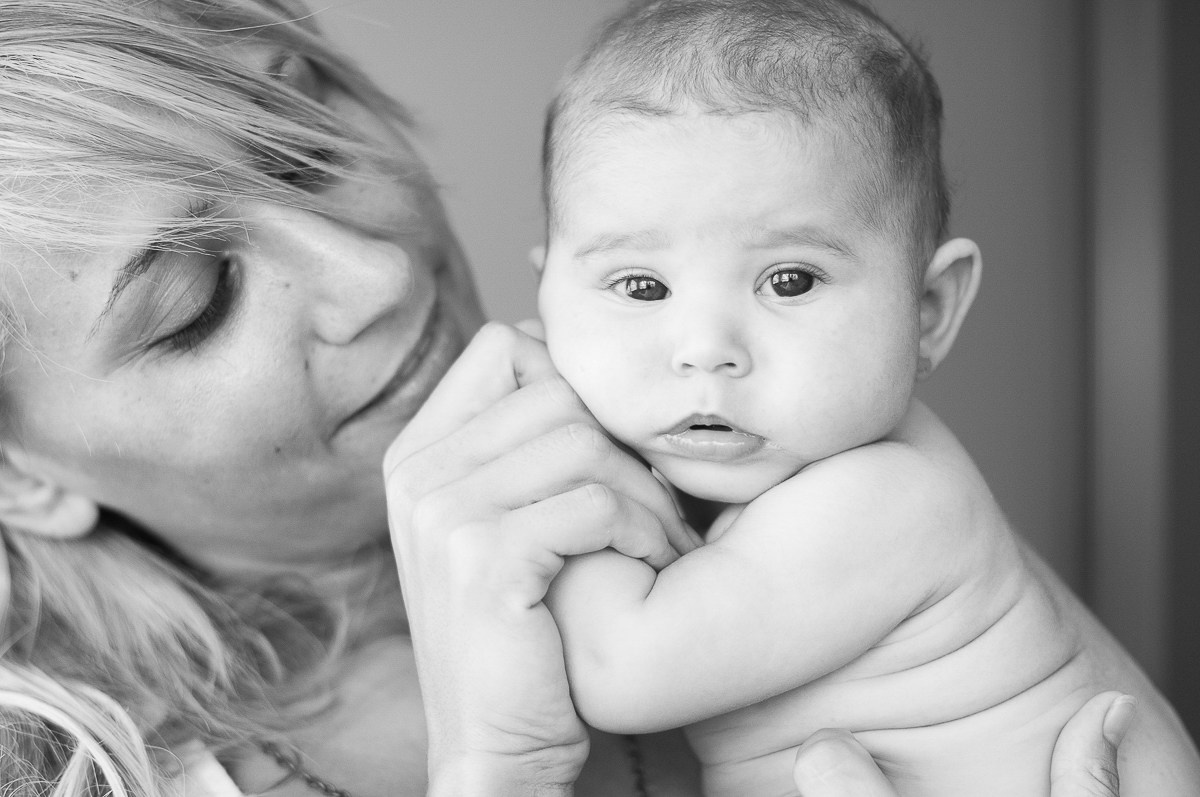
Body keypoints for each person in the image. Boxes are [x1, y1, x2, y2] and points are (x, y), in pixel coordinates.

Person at [0, 0, 1145, 795]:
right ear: (18, 471)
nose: (383, 275)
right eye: (195, 300)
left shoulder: (770, 461)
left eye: (310, 152)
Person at [522, 0, 1200, 795]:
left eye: (790, 279)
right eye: (641, 286)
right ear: (547, 297)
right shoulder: (793, 479)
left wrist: (552, 457)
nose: (705, 348)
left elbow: (617, 670)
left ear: (928, 310)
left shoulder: (886, 500)